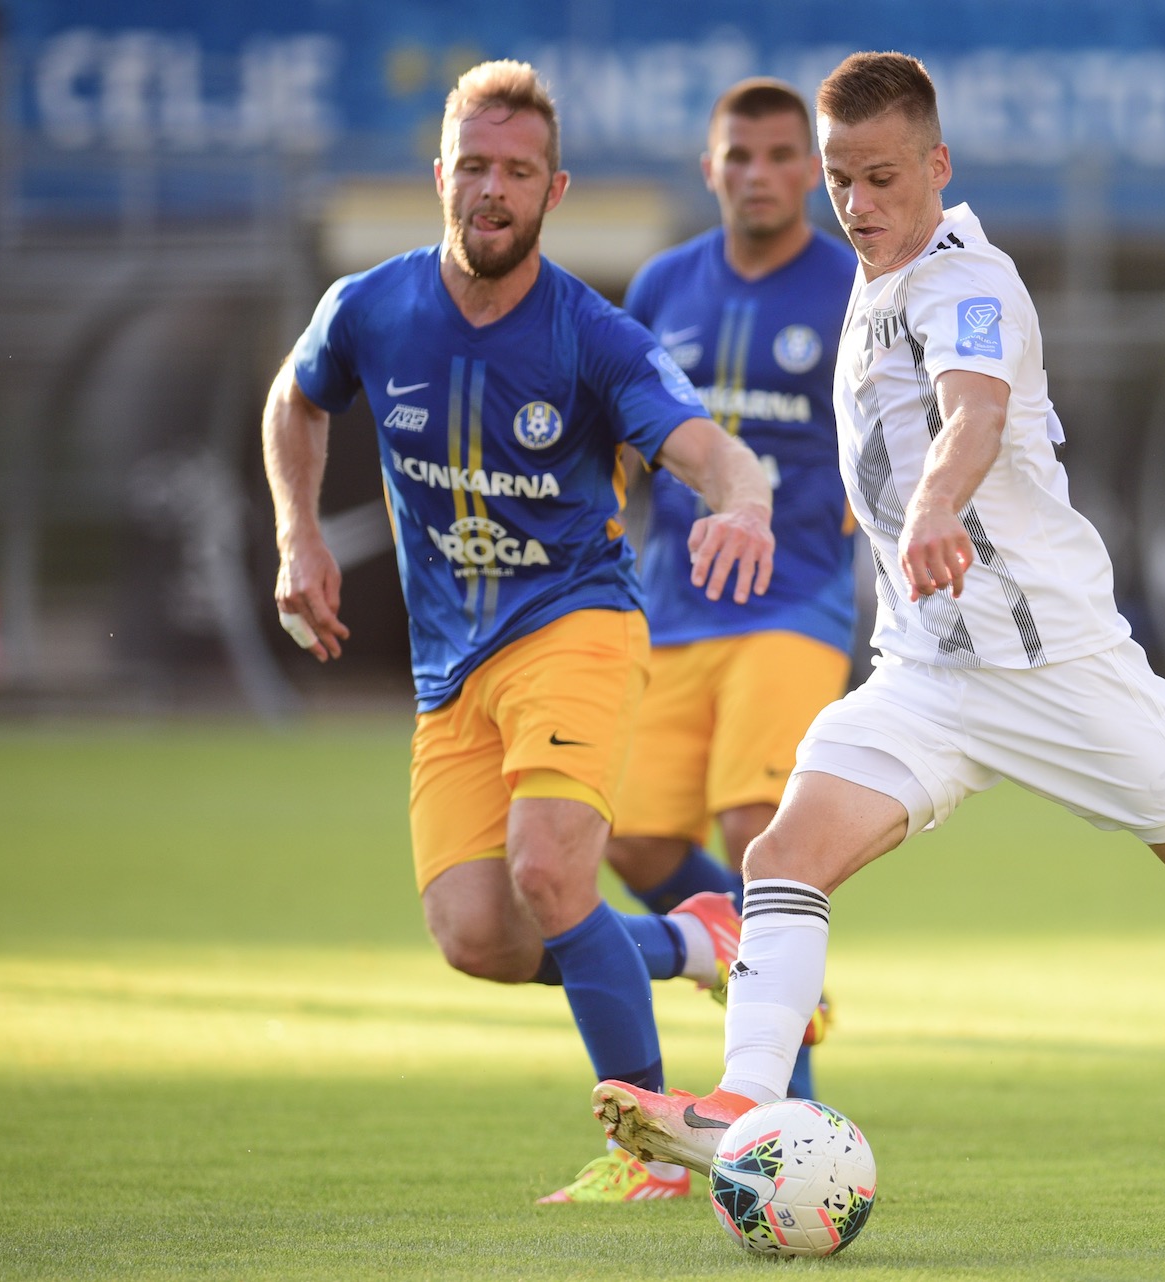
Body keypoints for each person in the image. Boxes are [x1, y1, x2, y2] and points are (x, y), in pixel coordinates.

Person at [590, 52, 1165, 1174]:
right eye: (841, 180)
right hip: (926, 671)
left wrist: (934, 507)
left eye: (882, 177)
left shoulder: (970, 282)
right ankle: (741, 1103)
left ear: (939, 165)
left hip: (1056, 664)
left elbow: (973, 412)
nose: (858, 204)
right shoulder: (872, 280)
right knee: (782, 854)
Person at [261, 61, 775, 1203]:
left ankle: (654, 1153)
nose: (494, 190)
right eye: (475, 166)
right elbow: (294, 399)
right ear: (440, 174)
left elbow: (707, 447)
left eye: (519, 172)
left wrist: (743, 503)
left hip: (575, 625)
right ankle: (696, 940)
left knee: (550, 871)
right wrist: (298, 535)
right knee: (477, 937)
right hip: (451, 667)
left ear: (555, 190)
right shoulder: (370, 306)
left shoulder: (593, 335)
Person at [605, 78, 857, 1111]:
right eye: (738, 156)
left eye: (781, 155)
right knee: (634, 841)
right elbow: (619, 432)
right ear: (708, 167)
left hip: (798, 599)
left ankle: (779, 1114)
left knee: (761, 830)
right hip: (671, 607)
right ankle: (769, 960)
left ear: (813, 171)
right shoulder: (663, 284)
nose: (759, 174)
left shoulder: (853, 286)